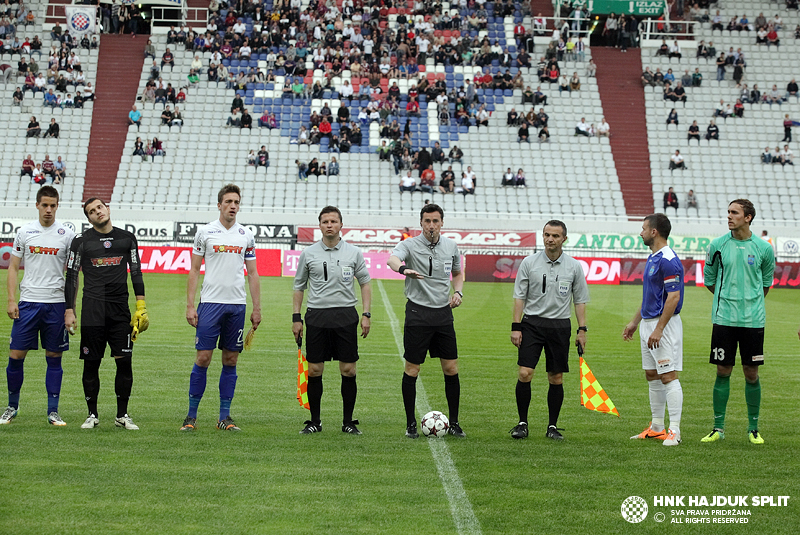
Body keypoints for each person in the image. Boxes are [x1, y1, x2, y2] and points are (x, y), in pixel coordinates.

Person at [182, 185, 261, 432]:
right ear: (219, 205)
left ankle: (224, 418)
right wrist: (190, 305)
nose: (233, 205)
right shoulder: (205, 232)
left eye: (236, 201)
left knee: (231, 359)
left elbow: (253, 273)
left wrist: (257, 308)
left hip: (236, 306)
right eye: (228, 201)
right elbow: (194, 270)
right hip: (210, 305)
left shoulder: (246, 235)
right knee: (203, 358)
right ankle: (191, 417)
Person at [65, 198, 148, 430]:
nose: (97, 212)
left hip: (120, 311)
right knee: (91, 363)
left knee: (125, 362)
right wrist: (69, 309)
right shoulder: (81, 241)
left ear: (107, 209)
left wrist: (141, 306)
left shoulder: (127, 238)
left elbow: (136, 272)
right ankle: (92, 414)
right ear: (88, 218)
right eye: (91, 211)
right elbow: (71, 276)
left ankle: (122, 415)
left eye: (99, 207)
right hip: (92, 309)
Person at [387, 205, 465, 439]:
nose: (431, 225)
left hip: (442, 314)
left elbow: (458, 273)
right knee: (412, 369)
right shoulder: (409, 244)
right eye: (427, 221)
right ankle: (411, 423)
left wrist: (458, 292)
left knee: (451, 368)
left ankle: (455, 422)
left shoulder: (451, 246)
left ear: (442, 223)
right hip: (417, 313)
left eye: (435, 221)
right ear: (421, 223)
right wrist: (403, 269)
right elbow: (391, 259)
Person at [292, 207, 372, 435]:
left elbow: (365, 283)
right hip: (317, 316)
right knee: (315, 370)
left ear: (340, 225)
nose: (329, 225)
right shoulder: (308, 254)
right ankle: (315, 421)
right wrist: (296, 318)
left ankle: (348, 421)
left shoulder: (354, 252)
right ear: (320, 226)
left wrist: (366, 314)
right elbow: (299, 286)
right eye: (325, 221)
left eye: (333, 221)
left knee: (348, 370)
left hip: (346, 315)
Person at [702, 199, 775, 445]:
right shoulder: (717, 245)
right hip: (724, 319)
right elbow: (709, 280)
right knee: (723, 370)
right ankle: (718, 428)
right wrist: (729, 301)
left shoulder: (764, 248)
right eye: (728, 212)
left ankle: (753, 428)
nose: (729, 216)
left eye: (734, 213)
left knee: (751, 373)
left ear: (748, 217)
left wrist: (749, 304)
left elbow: (765, 283)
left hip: (753, 320)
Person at [1, 187, 75, 426]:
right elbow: (13, 267)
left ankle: (53, 411)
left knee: (54, 357)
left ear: (57, 206)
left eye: (53, 205)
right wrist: (12, 300)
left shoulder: (67, 234)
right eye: (45, 205)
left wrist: (70, 309)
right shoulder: (25, 232)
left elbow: (73, 274)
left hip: (56, 304)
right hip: (28, 304)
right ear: (37, 205)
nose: (49, 210)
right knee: (15, 356)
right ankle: (12, 406)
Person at [509, 220, 589, 440]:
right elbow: (519, 297)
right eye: (546, 235)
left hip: (560, 326)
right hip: (532, 324)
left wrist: (582, 330)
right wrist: (516, 327)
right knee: (525, 373)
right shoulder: (529, 263)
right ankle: (522, 423)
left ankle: (552, 427)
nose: (550, 239)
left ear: (564, 239)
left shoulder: (574, 266)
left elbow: (580, 301)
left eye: (555, 236)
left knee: (556, 378)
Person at [622, 214, 684, 446]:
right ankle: (657, 426)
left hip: (663, 326)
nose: (641, 233)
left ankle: (674, 431)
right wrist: (634, 322)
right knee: (651, 374)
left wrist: (658, 328)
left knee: (668, 375)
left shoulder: (668, 259)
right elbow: (651, 296)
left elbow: (673, 296)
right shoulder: (654, 257)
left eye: (644, 228)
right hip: (649, 323)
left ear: (655, 232)